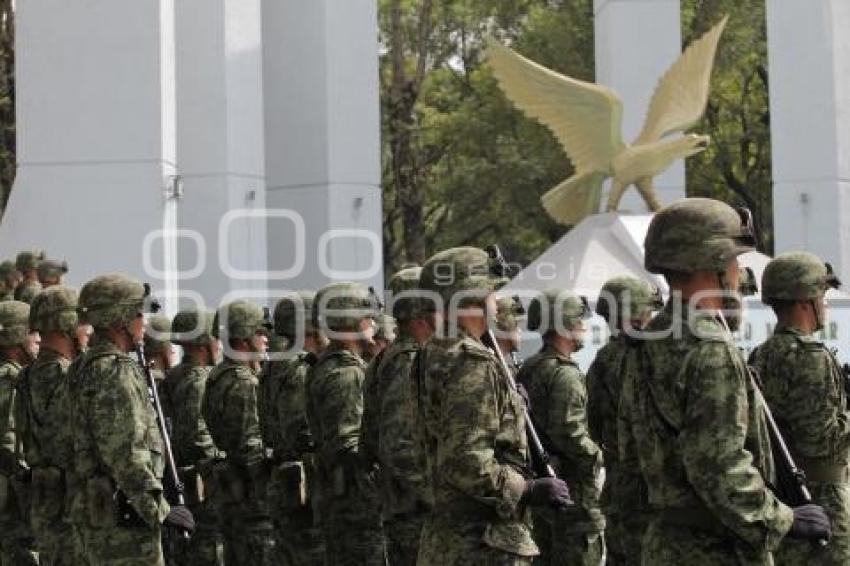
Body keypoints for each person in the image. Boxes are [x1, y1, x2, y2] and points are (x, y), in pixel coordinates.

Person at [618, 198, 831, 564]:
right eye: (734, 261)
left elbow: (629, 451)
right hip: (717, 548)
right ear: (715, 265)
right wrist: (783, 519)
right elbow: (719, 465)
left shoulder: (649, 339)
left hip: (665, 543)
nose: (737, 272)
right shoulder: (710, 348)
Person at [414, 247, 571, 565]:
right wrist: (527, 490)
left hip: (451, 536)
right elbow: (467, 460)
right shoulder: (471, 362)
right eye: (490, 293)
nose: (496, 303)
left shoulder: (433, 353)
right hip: (482, 543)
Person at [70, 274, 193, 564]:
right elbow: (125, 453)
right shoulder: (116, 371)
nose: (144, 322)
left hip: (98, 512)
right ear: (119, 319)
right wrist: (160, 511)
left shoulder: (81, 367)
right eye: (138, 313)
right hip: (124, 522)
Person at [750, 251, 850, 564]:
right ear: (806, 300)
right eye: (823, 294)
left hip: (783, 501)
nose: (826, 303)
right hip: (820, 499)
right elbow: (821, 440)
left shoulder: (760, 355)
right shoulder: (811, 356)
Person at [518, 289, 605, 565]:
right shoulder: (566, 375)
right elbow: (570, 433)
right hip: (573, 495)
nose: (583, 325)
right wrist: (599, 455)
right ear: (563, 325)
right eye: (578, 319)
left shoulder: (529, 368)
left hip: (543, 492)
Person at [306, 281, 386, 565]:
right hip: (356, 506)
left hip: (345, 502)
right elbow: (348, 445)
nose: (373, 323)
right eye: (367, 316)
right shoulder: (346, 373)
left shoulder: (331, 366)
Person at [586, 277, 662, 565]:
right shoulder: (651, 355)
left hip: (618, 489)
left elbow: (592, 426)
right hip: (651, 492)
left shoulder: (601, 362)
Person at [360, 266, 433, 565]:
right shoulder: (408, 361)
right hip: (416, 513)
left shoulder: (392, 358)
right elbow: (399, 446)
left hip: (406, 507)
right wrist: (435, 498)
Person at [201, 299, 275, 564]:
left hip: (231, 498)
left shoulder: (217, 376)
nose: (265, 338)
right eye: (259, 333)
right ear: (244, 339)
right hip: (252, 503)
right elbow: (249, 449)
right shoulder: (243, 383)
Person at [18, 286, 85, 565]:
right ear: (65, 324)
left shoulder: (25, 375)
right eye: (82, 321)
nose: (88, 329)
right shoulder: (70, 374)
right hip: (73, 500)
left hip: (42, 496)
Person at [266, 290, 328, 566]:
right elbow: (301, 432)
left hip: (281, 479)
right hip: (301, 483)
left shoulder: (273, 367)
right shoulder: (300, 368)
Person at [160, 308, 225, 566]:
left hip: (182, 481)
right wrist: (223, 457)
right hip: (202, 484)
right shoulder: (199, 381)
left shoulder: (172, 377)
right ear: (204, 343)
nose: (219, 346)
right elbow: (198, 438)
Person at [0, 301, 39, 565]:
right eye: (32, 331)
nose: (38, 338)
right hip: (13, 494)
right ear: (15, 336)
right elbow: (9, 440)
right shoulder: (12, 380)